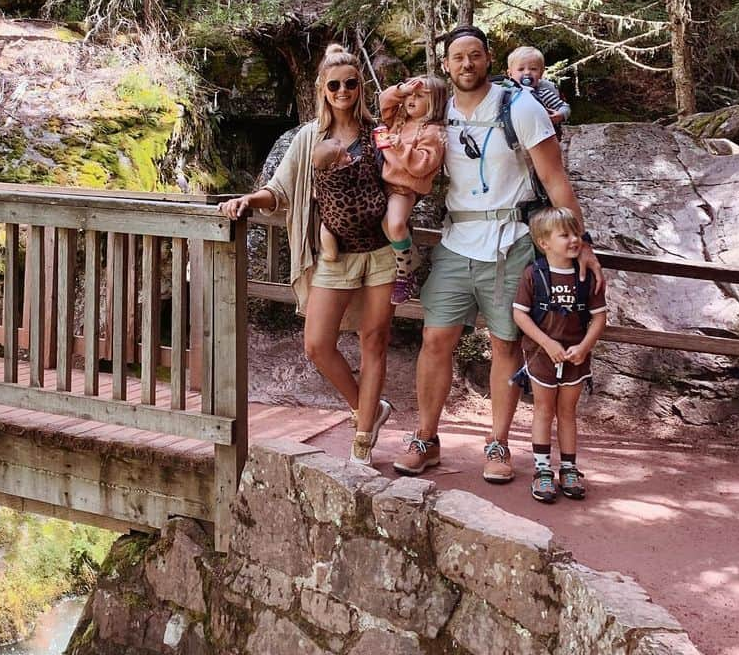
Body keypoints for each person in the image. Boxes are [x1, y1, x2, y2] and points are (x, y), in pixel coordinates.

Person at [393, 25, 602, 483]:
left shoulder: (521, 107)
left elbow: (555, 179)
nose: (466, 65)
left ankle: (498, 443)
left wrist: (580, 241)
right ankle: (425, 438)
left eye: (474, 56)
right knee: (434, 340)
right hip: (455, 240)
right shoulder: (437, 112)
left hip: (512, 241)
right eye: (457, 58)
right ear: (444, 64)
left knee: (505, 343)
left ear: (489, 59)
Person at [217, 44, 396, 466]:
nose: (343, 90)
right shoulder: (307, 137)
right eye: (334, 84)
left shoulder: (379, 132)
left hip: (383, 253)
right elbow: (279, 190)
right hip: (334, 256)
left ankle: (364, 438)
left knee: (374, 341)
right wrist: (248, 199)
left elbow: (403, 181)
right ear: (322, 88)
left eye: (351, 83)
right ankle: (368, 407)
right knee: (317, 345)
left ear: (361, 85)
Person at [512, 207, 607, 503]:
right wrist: (547, 343)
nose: (573, 240)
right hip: (543, 355)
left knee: (567, 412)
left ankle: (568, 467)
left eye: (575, 233)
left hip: (576, 356)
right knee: (543, 409)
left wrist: (584, 347)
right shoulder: (534, 274)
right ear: (544, 242)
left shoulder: (586, 278)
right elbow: (520, 315)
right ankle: (542, 470)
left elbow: (599, 317)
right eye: (564, 234)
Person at [375, 75, 448, 304]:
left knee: (395, 224)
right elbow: (384, 101)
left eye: (419, 96)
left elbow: (422, 165)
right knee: (380, 223)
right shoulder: (399, 118)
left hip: (402, 188)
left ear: (435, 102)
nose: (411, 100)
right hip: (380, 181)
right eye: (409, 96)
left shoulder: (434, 132)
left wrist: (402, 147)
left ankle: (405, 273)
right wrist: (401, 89)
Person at [506, 46, 570, 128]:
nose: (527, 72)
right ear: (510, 73)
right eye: (521, 69)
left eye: (533, 69)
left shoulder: (543, 93)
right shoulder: (504, 91)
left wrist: (560, 115)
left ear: (541, 73)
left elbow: (565, 107)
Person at [312, 139, 353, 262]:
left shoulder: (322, 178)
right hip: (352, 214)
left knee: (325, 227)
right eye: (346, 155)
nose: (350, 155)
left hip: (335, 218)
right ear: (334, 166)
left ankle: (330, 253)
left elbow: (317, 194)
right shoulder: (352, 169)